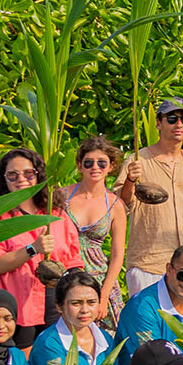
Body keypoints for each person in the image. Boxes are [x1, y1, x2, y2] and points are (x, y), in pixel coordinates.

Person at [119, 99, 183, 299]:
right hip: (149, 263)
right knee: (147, 326)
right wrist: (130, 180)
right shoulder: (137, 160)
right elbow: (123, 206)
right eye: (172, 119)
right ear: (158, 123)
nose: (179, 125)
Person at [0, 148, 79, 348]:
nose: (21, 179)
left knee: (53, 360)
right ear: (4, 180)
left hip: (55, 302)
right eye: (12, 175)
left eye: (28, 173)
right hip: (16, 306)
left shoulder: (56, 213)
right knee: (21, 363)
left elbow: (74, 260)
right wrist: (32, 249)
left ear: (38, 176)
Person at [62, 135, 128, 323]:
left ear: (111, 166)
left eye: (101, 163)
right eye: (88, 163)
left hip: (98, 277)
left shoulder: (116, 205)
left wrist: (104, 294)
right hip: (66, 273)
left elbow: (117, 255)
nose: (95, 168)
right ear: (79, 165)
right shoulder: (61, 196)